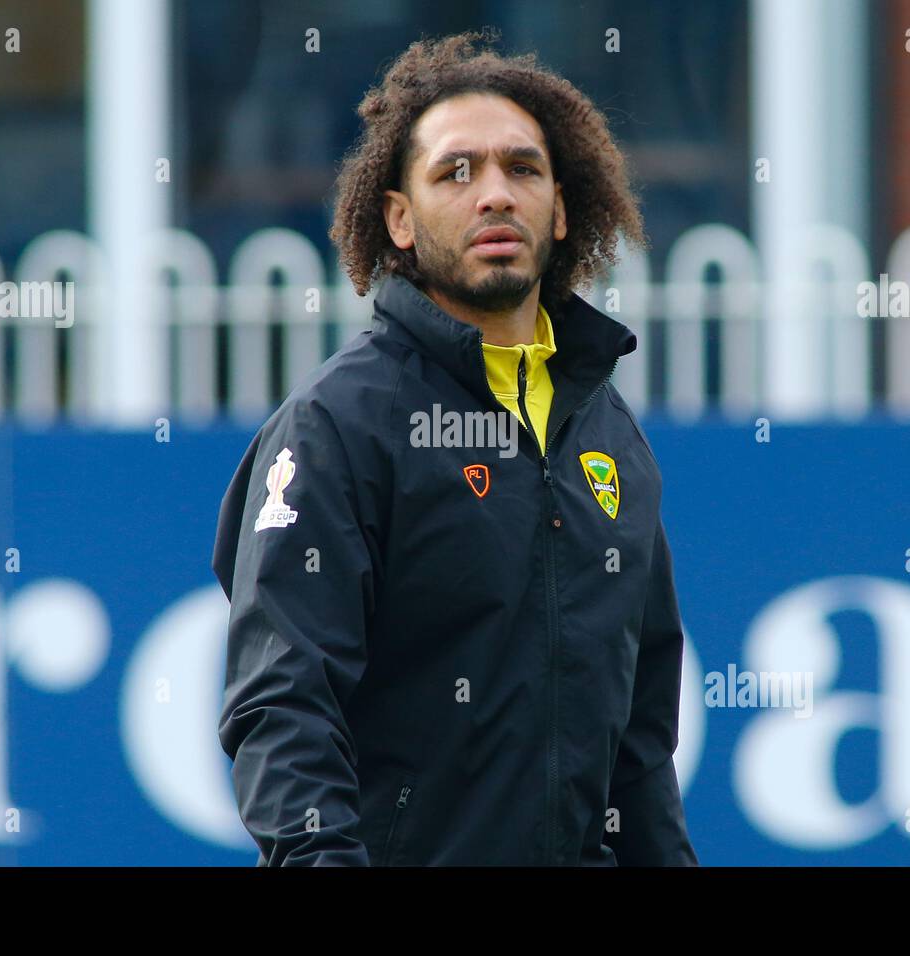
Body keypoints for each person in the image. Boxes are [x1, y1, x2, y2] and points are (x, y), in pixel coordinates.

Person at [212, 29, 699, 866]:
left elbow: (640, 754)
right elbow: (283, 709)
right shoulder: (336, 426)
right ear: (397, 219)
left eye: (523, 168)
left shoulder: (612, 438)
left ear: (562, 208)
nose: (496, 196)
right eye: (456, 172)